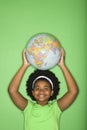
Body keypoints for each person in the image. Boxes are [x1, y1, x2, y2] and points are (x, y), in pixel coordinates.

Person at [8, 49, 78, 130]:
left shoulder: (56, 108)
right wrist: (24, 65)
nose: (41, 91)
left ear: (52, 92)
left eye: (46, 88)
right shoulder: (28, 108)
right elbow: (12, 91)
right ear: (33, 92)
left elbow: (73, 92)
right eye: (37, 88)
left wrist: (62, 65)